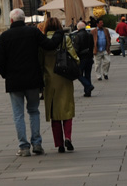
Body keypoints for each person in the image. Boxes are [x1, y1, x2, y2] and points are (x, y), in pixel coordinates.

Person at [0, 9, 63, 156]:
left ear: (11, 21)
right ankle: (37, 143)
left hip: (14, 81)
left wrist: (6, 74)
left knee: (18, 114)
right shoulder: (33, 32)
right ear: (24, 19)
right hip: (33, 79)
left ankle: (24, 147)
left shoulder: (5, 36)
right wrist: (58, 33)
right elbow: (49, 45)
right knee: (33, 111)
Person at [39, 18, 78, 153]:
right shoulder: (64, 39)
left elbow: (40, 62)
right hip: (64, 78)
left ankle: (59, 144)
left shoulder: (42, 41)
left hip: (49, 80)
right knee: (67, 109)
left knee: (54, 112)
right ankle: (68, 137)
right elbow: (74, 57)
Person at [71, 22, 94, 97]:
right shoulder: (89, 35)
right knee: (88, 74)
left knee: (78, 74)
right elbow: (92, 46)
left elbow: (76, 48)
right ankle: (88, 92)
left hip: (82, 57)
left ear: (78, 28)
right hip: (89, 57)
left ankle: (88, 85)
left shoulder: (78, 36)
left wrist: (75, 58)